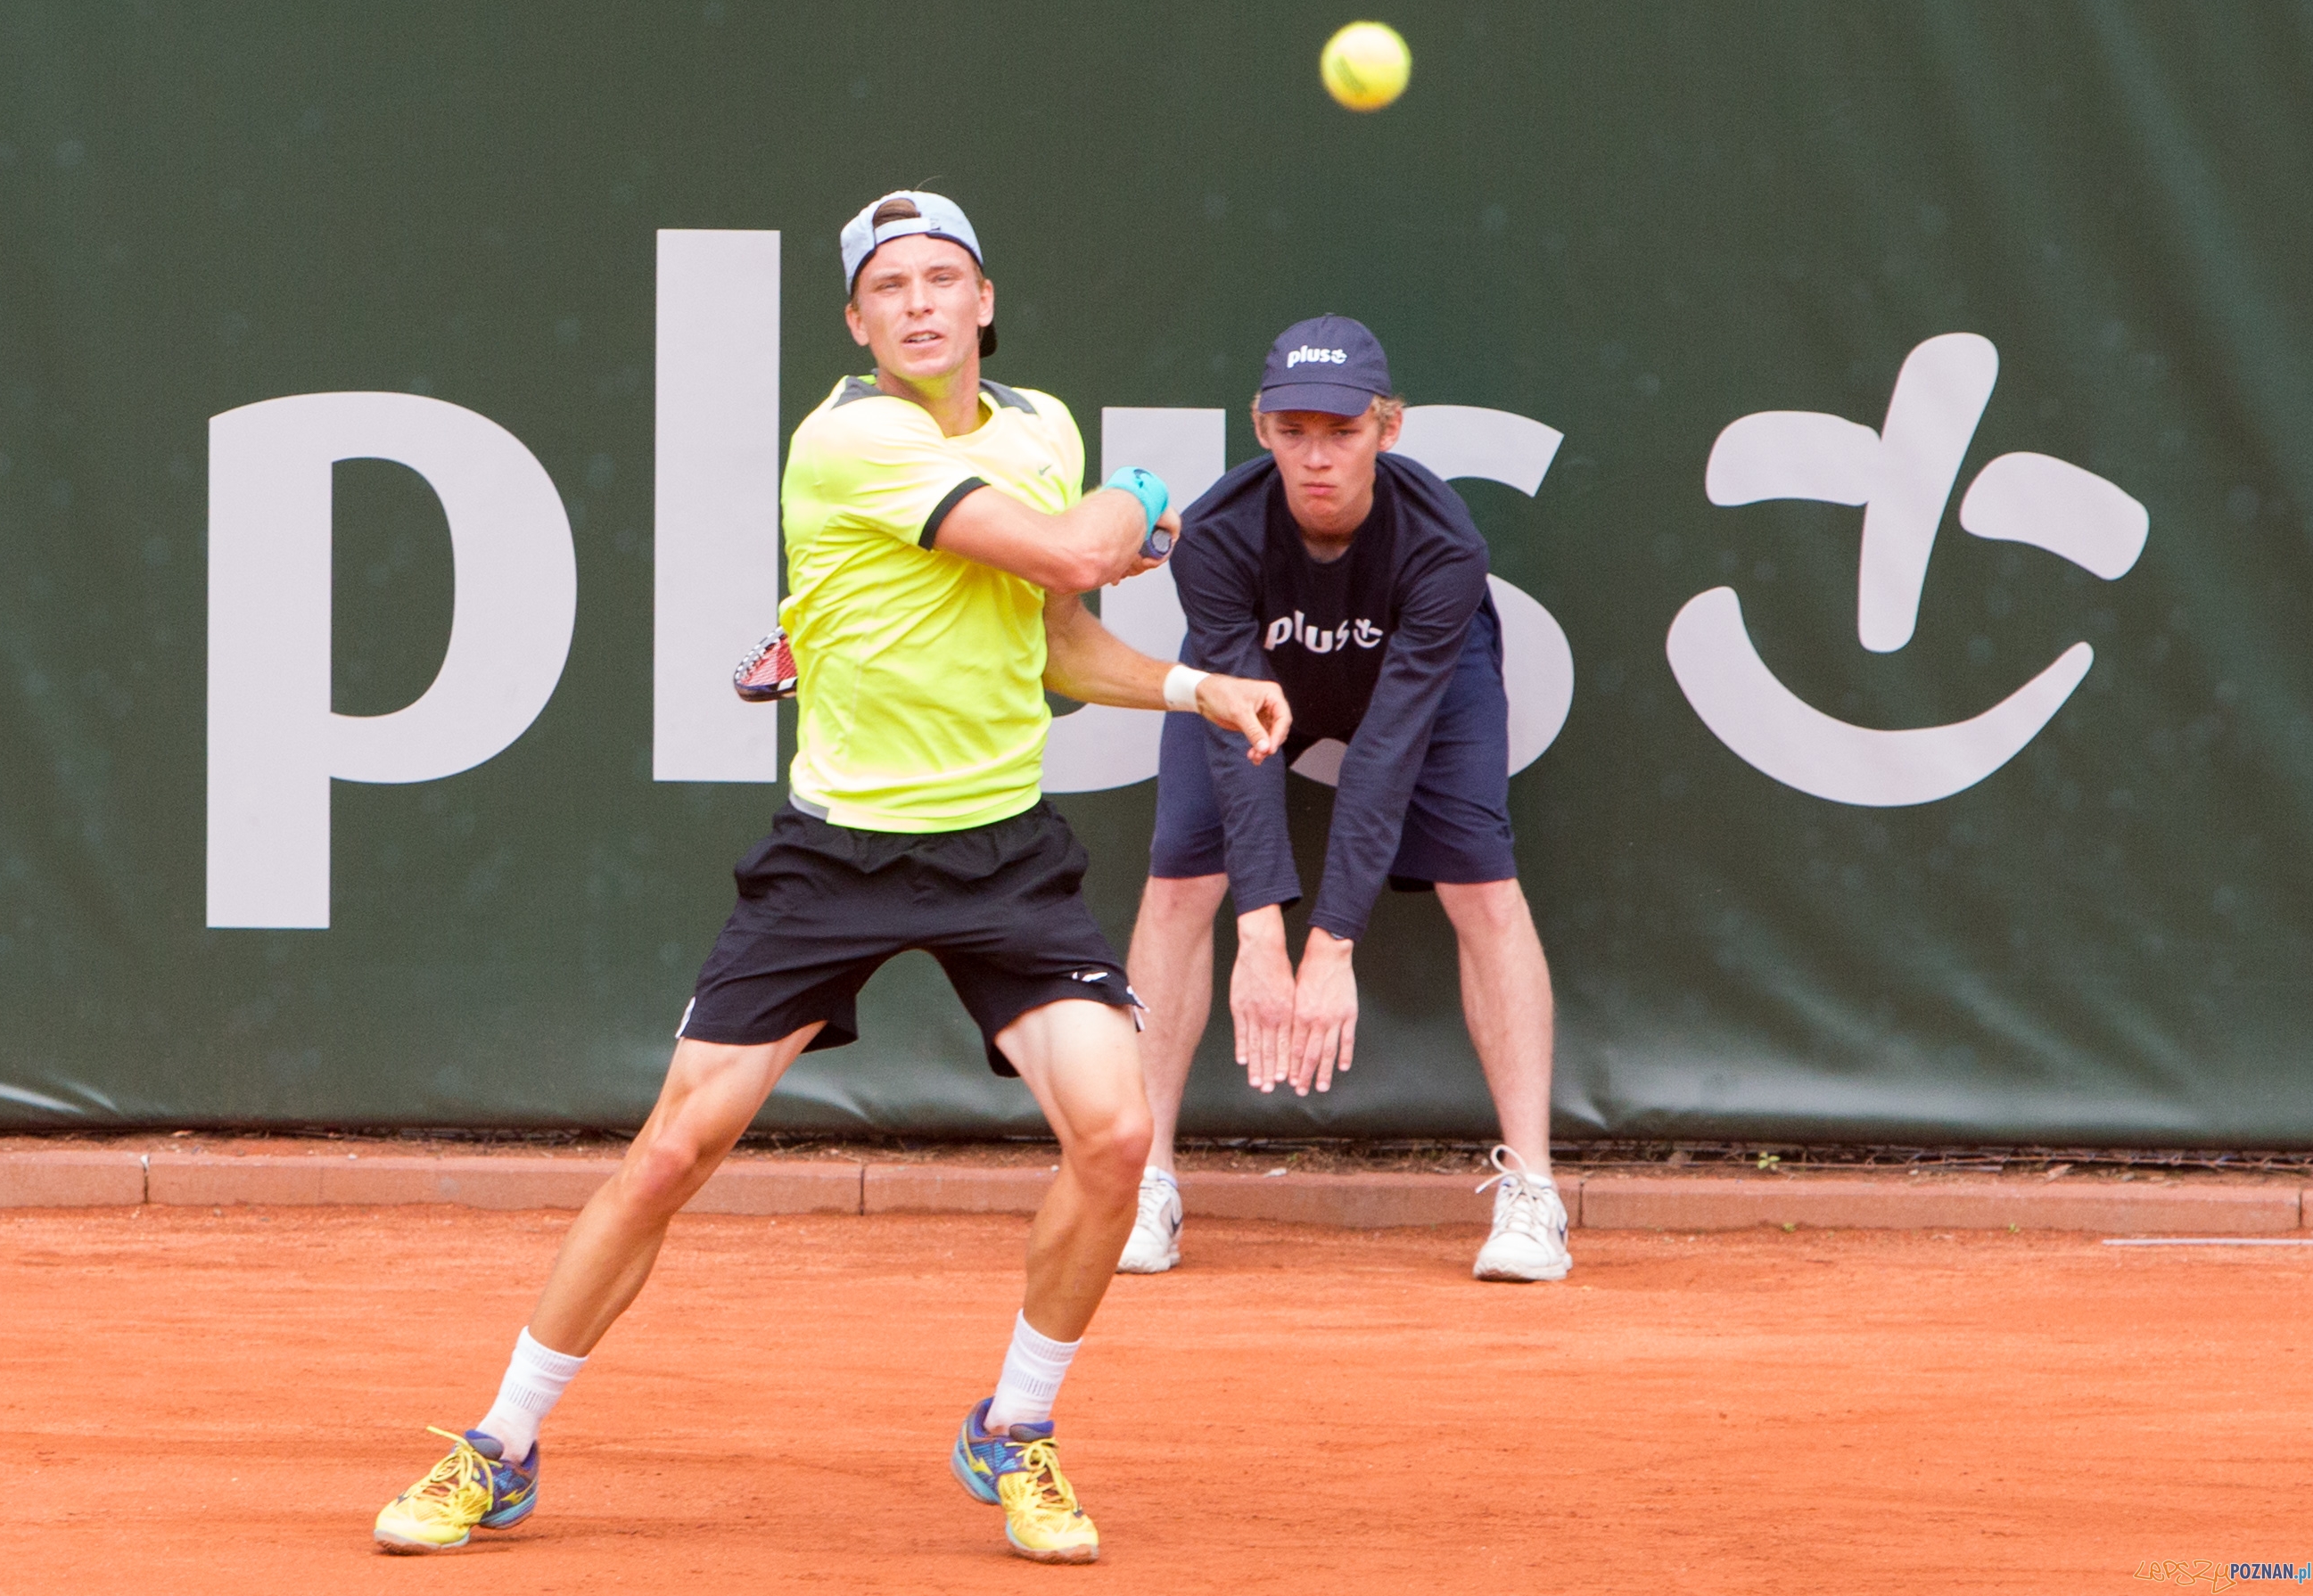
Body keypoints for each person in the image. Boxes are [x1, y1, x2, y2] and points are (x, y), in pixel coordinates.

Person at [370, 191, 1290, 1564]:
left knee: (1112, 1138)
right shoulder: (851, 438)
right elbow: (1076, 548)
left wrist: (1193, 686)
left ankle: (1016, 1432)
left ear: (984, 300)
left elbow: (1053, 641)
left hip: (1004, 855)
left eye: (943, 279)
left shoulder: (1040, 431)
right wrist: (1149, 496)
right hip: (836, 858)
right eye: (889, 288)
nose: (919, 303)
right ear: (857, 324)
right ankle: (498, 1446)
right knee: (673, 1150)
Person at [1115, 315, 1571, 1284]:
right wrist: (1262, 935)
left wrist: (1329, 944)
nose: (1316, 457)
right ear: (1261, 429)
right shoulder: (1217, 537)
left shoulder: (1445, 544)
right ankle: (1144, 1178)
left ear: (1388, 428)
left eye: (1343, 431)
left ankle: (1534, 1190)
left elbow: (1387, 755)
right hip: (1256, 685)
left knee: (1485, 888)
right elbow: (1248, 739)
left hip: (1421, 691)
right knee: (1178, 884)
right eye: (1292, 432)